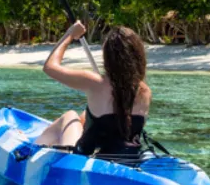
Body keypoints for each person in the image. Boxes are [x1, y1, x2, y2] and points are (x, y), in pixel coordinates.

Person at [35, 20, 151, 156]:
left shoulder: (94, 82)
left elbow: (50, 67)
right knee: (84, 116)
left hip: (84, 157)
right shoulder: (145, 91)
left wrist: (70, 34)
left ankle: (32, 148)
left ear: (107, 56)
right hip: (128, 157)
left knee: (70, 116)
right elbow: (117, 122)